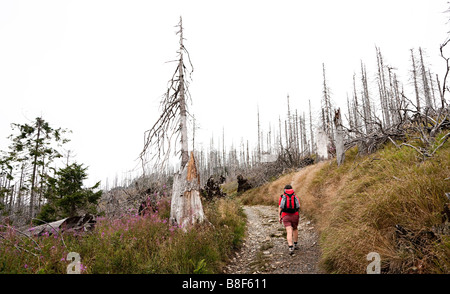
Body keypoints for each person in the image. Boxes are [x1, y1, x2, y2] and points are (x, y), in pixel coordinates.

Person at [278, 184, 300, 255]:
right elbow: (298, 206)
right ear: (291, 189)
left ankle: (290, 247)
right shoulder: (295, 196)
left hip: (285, 216)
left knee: (289, 231)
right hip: (295, 215)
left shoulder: (282, 197)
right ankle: (296, 244)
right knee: (295, 229)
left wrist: (280, 217)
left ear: (285, 190)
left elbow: (280, 208)